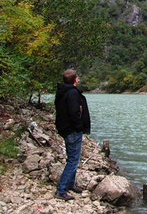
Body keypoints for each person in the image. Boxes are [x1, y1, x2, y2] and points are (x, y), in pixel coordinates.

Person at [54, 69, 91, 201]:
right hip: (72, 130)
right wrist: (79, 127)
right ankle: (61, 190)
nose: (78, 79)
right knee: (73, 160)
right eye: (77, 78)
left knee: (72, 157)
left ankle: (70, 184)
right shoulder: (72, 93)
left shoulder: (62, 92)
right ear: (75, 80)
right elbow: (74, 112)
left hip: (65, 128)